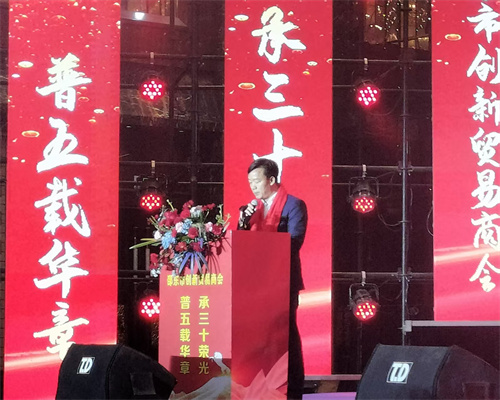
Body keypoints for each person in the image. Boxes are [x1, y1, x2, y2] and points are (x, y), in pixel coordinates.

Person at [238, 158, 307, 400]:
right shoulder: (251, 209)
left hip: (283, 282)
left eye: (257, 181)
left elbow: (295, 240)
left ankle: (294, 390)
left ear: (271, 179)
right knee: (260, 339)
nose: (253, 186)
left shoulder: (294, 205)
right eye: (250, 182)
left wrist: (266, 247)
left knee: (286, 337)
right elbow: (242, 243)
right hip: (257, 284)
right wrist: (243, 223)